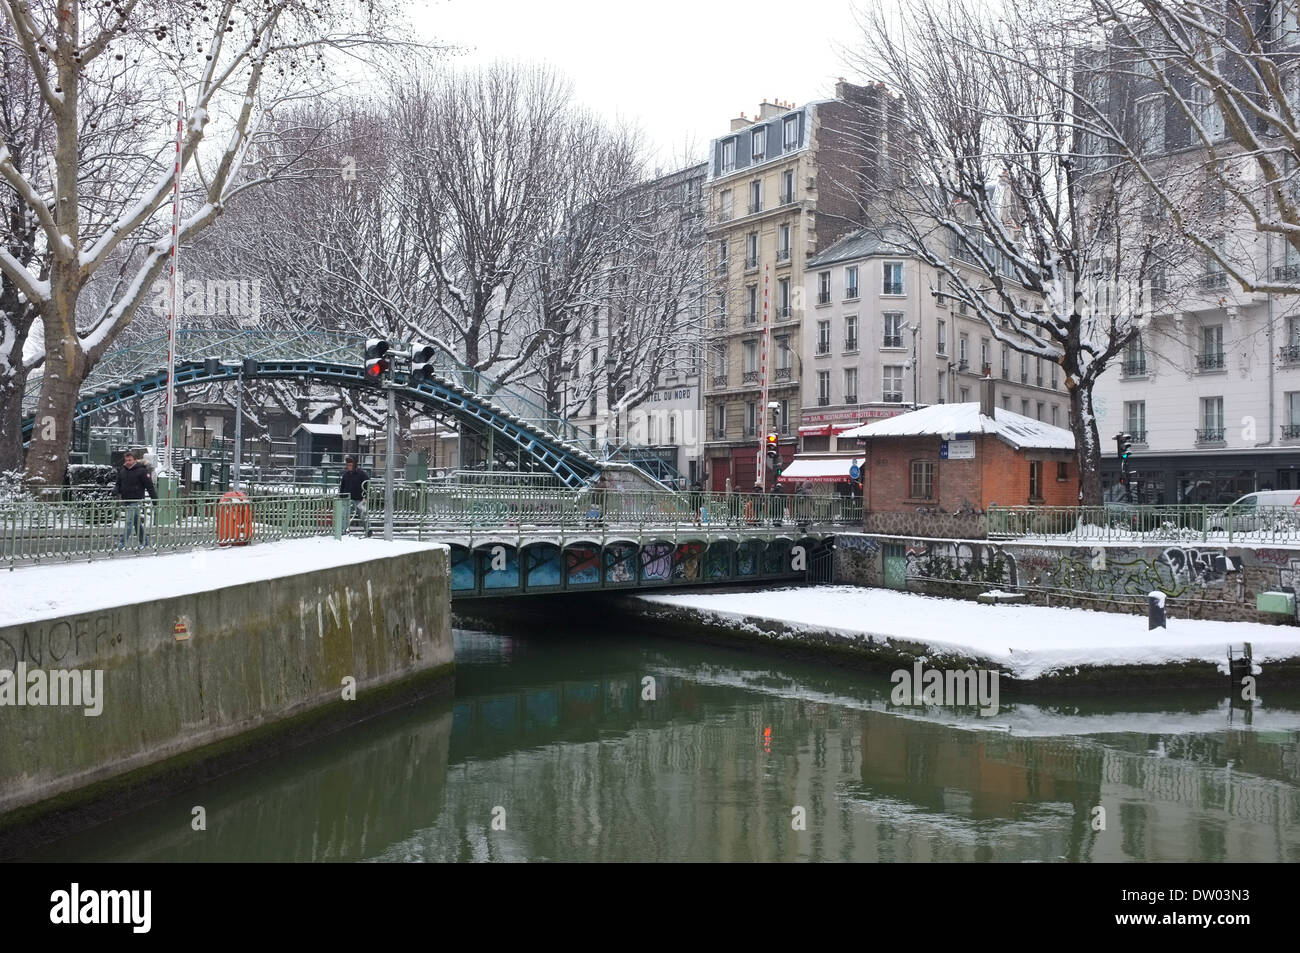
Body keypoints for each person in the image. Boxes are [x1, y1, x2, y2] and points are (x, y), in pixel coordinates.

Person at [116, 450, 158, 549]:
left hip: (136, 499)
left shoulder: (142, 471)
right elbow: (118, 483)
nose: (128, 462)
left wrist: (155, 500)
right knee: (136, 522)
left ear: (135, 460)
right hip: (126, 499)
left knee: (129, 521)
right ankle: (144, 542)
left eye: (130, 460)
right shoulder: (123, 470)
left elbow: (149, 486)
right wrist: (116, 489)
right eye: (126, 460)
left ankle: (122, 543)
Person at [339, 455, 370, 535]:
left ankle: (368, 529)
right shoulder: (345, 475)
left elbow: (367, 485)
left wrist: (365, 497)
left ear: (354, 465)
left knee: (363, 514)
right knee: (344, 515)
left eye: (350, 465)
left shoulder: (362, 474)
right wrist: (341, 496)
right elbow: (342, 487)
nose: (348, 467)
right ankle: (343, 530)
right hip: (347, 499)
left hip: (360, 499)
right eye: (348, 465)